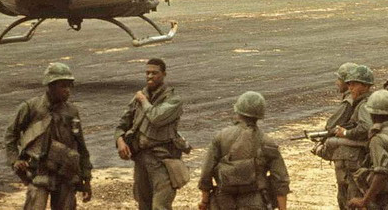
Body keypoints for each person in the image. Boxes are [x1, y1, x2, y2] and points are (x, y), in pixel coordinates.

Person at [5, 63, 92, 210]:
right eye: (63, 86)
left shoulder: (71, 112)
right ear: (50, 86)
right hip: (39, 173)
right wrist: (15, 160)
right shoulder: (30, 108)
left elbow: (81, 146)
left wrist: (86, 179)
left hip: (65, 174)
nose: (67, 90)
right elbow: (10, 135)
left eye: (69, 86)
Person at [115, 58, 187, 210]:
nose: (150, 76)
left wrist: (143, 100)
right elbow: (122, 124)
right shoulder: (139, 97)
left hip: (162, 160)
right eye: (147, 73)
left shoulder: (173, 99)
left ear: (164, 74)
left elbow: (156, 117)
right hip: (141, 158)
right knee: (143, 203)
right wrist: (120, 141)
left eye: (154, 73)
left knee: (160, 206)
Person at [197, 91, 290, 210]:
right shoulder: (267, 142)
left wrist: (204, 201)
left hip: (223, 203)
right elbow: (280, 180)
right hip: (256, 203)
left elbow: (206, 175)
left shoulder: (220, 137)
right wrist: (283, 208)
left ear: (238, 111)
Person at [334, 65, 375, 204]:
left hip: (361, 158)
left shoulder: (364, 105)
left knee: (353, 195)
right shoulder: (371, 101)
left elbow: (366, 127)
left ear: (365, 86)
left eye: (354, 84)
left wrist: (346, 133)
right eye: (349, 84)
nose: (350, 88)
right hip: (366, 157)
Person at [324, 62, 358, 210]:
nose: (337, 83)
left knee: (345, 196)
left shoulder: (349, 101)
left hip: (348, 156)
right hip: (354, 154)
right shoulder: (359, 98)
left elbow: (331, 125)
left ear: (348, 82)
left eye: (339, 79)